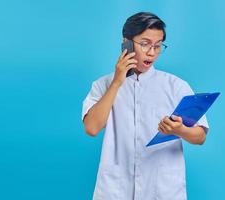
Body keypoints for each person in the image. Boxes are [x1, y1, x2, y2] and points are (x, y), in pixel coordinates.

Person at [82, 12, 209, 200]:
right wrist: (117, 82)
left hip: (163, 190)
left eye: (157, 46)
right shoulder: (103, 85)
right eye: (145, 44)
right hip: (116, 190)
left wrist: (180, 130)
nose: (152, 52)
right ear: (126, 42)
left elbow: (200, 137)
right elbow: (92, 128)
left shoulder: (176, 86)